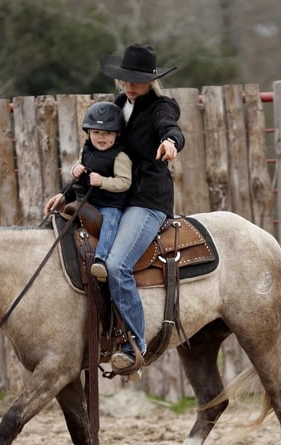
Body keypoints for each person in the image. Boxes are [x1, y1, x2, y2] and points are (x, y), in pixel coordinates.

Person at [98, 43, 185, 374]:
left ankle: (135, 343)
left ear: (150, 81)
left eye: (137, 80)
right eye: (126, 79)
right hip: (114, 197)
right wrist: (66, 194)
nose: (130, 85)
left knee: (118, 263)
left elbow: (170, 127)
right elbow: (97, 150)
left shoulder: (162, 106)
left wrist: (171, 142)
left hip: (147, 200)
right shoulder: (117, 105)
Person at [43, 101, 132, 281]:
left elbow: (125, 182)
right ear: (89, 132)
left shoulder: (120, 156)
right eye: (96, 132)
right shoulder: (86, 150)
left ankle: (101, 259)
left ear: (117, 134)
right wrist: (76, 168)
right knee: (64, 219)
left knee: (110, 223)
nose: (101, 137)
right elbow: (79, 171)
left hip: (110, 204)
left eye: (107, 133)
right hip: (86, 201)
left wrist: (103, 181)